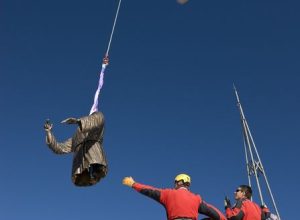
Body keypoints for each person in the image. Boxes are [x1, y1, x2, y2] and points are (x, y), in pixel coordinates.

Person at [44, 111, 108, 186]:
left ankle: (96, 170)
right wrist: (48, 132)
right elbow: (59, 148)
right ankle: (86, 175)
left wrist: (78, 121)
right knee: (83, 177)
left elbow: (99, 119)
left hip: (94, 157)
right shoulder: (75, 139)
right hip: (80, 164)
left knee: (95, 167)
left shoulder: (94, 132)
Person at [122, 174, 226, 220]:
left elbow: (149, 190)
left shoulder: (168, 193)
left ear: (179, 182)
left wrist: (133, 184)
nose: (174, 184)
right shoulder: (197, 198)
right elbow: (213, 212)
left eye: (175, 182)